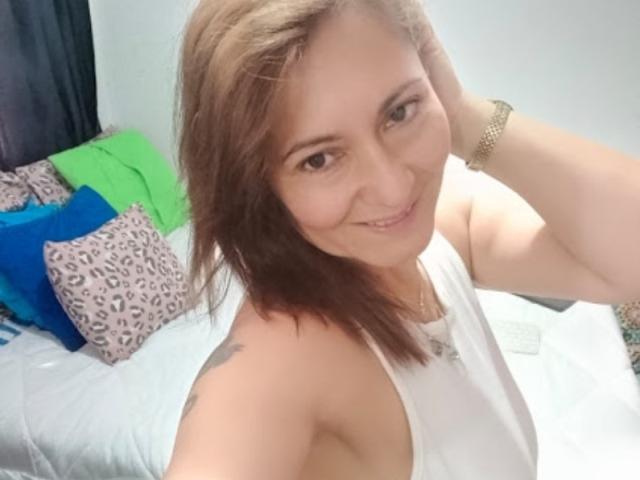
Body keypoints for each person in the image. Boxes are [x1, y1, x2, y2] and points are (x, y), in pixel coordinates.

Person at [164, 0, 640, 478]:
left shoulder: (441, 237)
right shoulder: (280, 362)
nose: (393, 189)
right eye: (319, 159)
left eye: (399, 112)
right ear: (256, 185)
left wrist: (463, 117)